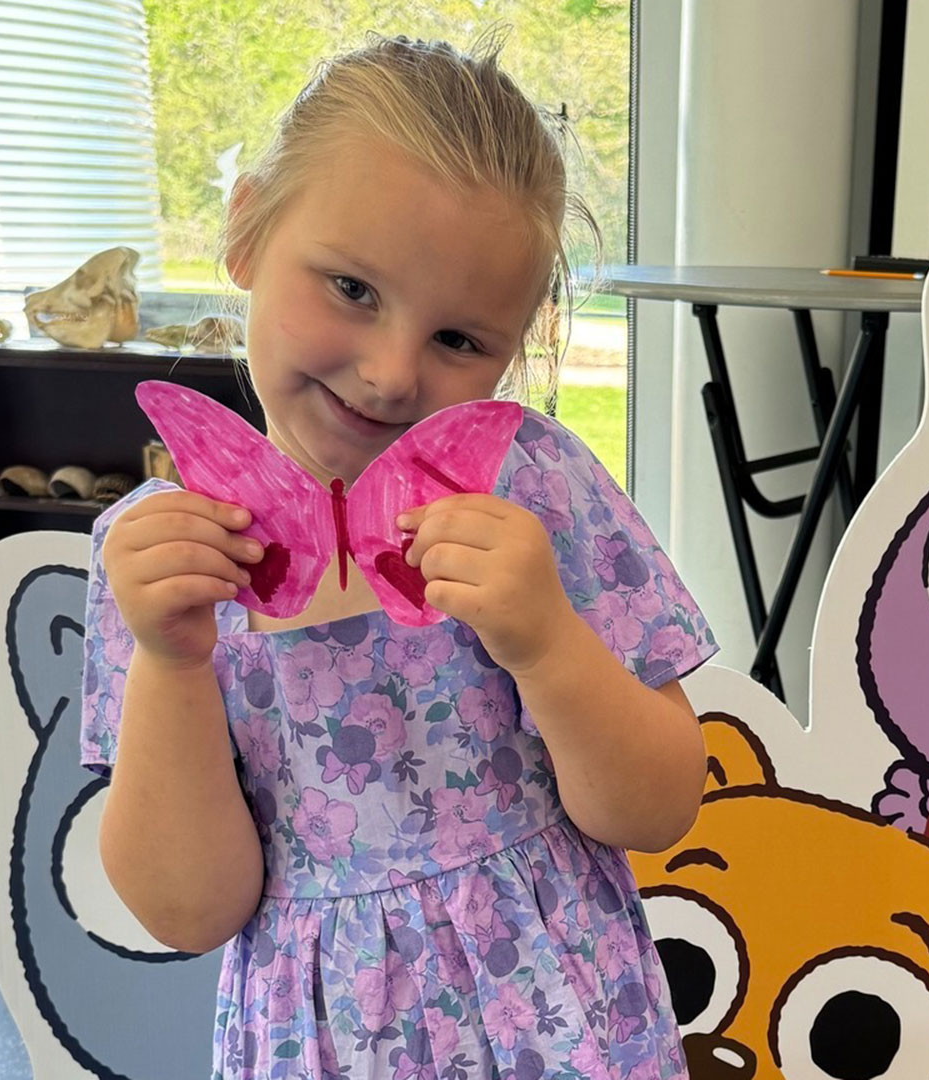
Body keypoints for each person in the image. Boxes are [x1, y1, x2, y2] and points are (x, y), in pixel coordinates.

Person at [79, 35, 714, 1079]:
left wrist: (547, 641)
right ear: (245, 232)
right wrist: (172, 662)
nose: (387, 374)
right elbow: (189, 910)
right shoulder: (159, 561)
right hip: (323, 1034)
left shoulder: (535, 485)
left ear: (518, 344)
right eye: (352, 288)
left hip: (565, 1019)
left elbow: (657, 807)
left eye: (460, 341)